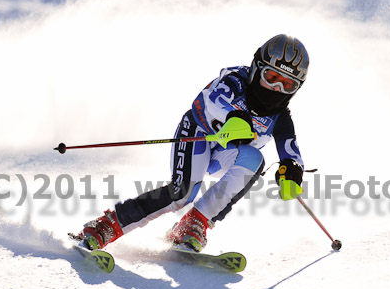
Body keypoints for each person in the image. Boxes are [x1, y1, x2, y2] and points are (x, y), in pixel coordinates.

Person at [77, 34, 309, 252]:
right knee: (182, 193)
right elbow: (212, 101)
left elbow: (290, 150)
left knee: (255, 160)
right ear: (257, 69)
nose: (277, 88)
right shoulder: (236, 81)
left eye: (288, 85)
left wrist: (292, 171)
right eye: (272, 77)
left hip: (223, 155)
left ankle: (194, 223)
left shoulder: (280, 117)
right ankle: (106, 226)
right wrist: (234, 116)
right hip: (198, 135)